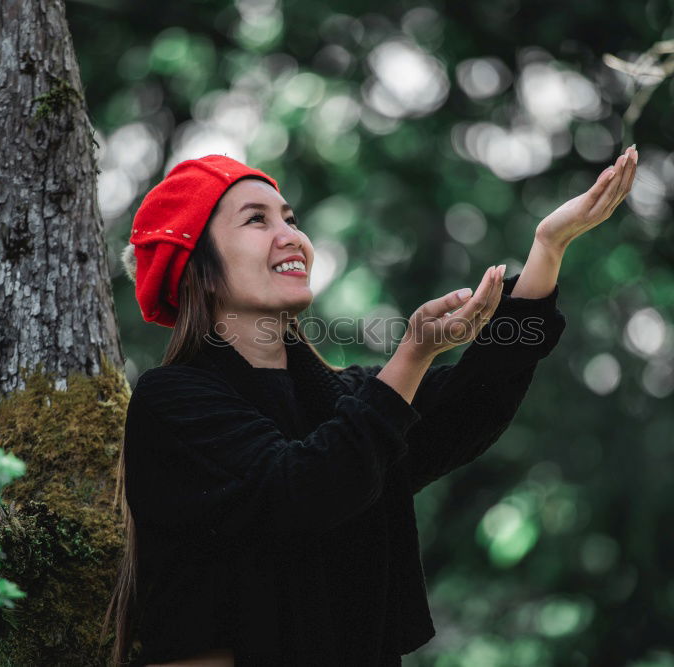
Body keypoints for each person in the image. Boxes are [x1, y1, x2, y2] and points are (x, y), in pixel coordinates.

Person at [102, 148, 638, 666]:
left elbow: (465, 410)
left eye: (290, 219)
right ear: (199, 267)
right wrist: (414, 351)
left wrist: (548, 248)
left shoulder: (344, 399)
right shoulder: (172, 400)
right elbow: (305, 488)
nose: (292, 237)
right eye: (256, 221)